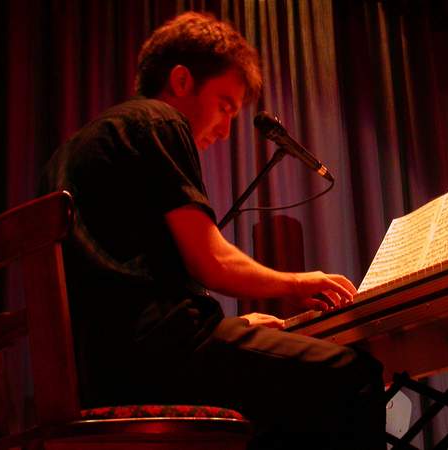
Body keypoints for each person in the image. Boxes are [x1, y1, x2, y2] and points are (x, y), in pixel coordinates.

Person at [40, 11, 385, 449]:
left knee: (282, 398)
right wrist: (299, 283)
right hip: (157, 359)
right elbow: (213, 262)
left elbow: (123, 289)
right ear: (182, 80)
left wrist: (233, 327)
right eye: (225, 106)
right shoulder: (159, 121)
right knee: (353, 375)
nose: (224, 130)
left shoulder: (72, 152)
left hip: (100, 371)